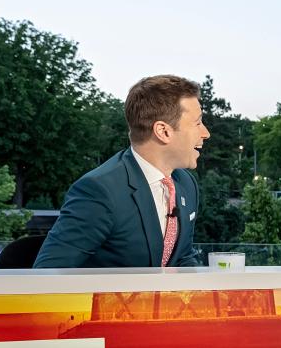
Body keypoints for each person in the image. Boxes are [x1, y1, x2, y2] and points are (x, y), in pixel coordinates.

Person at [33, 75, 209, 268]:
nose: (206, 133)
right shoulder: (99, 191)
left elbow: (182, 258)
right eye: (198, 123)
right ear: (163, 131)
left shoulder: (185, 183)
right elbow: (48, 273)